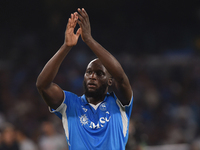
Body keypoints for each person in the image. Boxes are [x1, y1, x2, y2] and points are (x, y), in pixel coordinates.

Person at [36, 8, 133, 150]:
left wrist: (89, 40)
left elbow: (121, 77)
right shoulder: (70, 104)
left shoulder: (120, 103)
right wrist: (66, 47)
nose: (92, 76)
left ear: (110, 81)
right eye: (89, 72)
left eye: (99, 73)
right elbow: (42, 85)